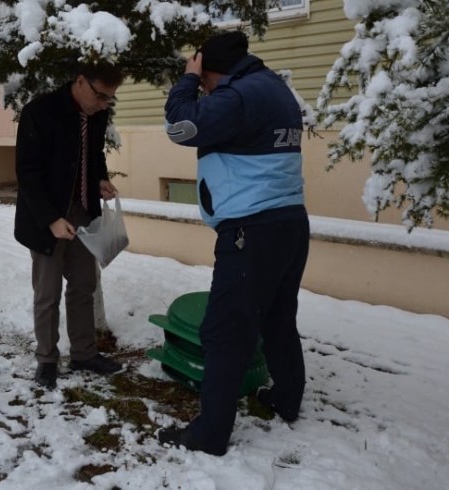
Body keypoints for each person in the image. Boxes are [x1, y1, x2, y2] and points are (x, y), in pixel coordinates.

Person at [158, 31, 310, 456]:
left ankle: (210, 435)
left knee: (225, 329)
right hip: (289, 223)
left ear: (209, 69)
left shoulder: (238, 95)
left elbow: (180, 125)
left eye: (202, 75)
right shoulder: (275, 88)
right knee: (277, 315)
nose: (203, 87)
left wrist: (187, 80)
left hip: (251, 230)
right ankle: (287, 398)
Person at [14, 63, 125, 390]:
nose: (104, 104)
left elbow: (93, 153)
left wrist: (101, 178)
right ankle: (46, 360)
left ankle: (83, 353)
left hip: (83, 213)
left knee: (84, 284)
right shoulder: (40, 111)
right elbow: (27, 173)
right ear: (80, 82)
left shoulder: (97, 113)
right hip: (47, 217)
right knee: (47, 292)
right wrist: (51, 218)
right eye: (100, 96)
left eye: (109, 100)